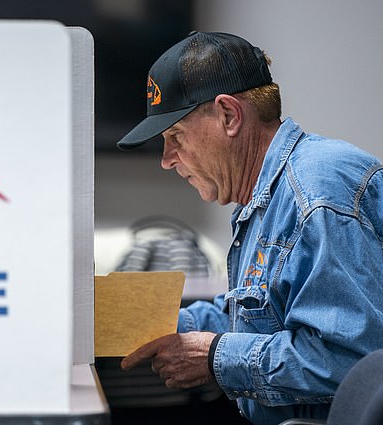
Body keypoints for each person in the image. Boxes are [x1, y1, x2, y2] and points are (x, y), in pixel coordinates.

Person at [116, 31, 383, 425]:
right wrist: (149, 322)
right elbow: (257, 321)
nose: (167, 160)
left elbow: (351, 362)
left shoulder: (317, 192)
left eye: (174, 136)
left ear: (228, 116)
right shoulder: (266, 197)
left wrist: (213, 356)